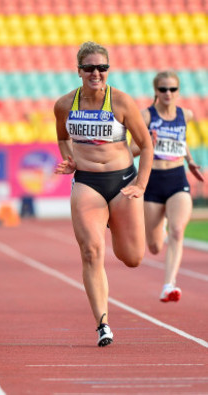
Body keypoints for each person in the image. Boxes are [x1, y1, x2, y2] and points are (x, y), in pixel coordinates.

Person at [53, 41, 153, 347]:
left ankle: (115, 219)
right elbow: (61, 136)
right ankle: (102, 324)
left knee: (132, 257)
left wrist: (140, 185)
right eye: (90, 68)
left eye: (102, 68)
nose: (96, 73)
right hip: (87, 184)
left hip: (122, 182)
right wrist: (69, 158)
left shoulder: (122, 102)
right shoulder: (64, 104)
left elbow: (147, 146)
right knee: (91, 251)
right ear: (79, 71)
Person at [130, 70, 204, 303]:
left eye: (172, 89)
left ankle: (169, 284)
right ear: (156, 91)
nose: (168, 93)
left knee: (178, 231)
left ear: (178, 91)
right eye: (163, 89)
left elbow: (181, 142)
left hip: (177, 179)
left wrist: (190, 161)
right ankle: (158, 228)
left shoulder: (186, 114)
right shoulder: (146, 116)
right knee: (153, 246)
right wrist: (146, 145)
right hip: (152, 181)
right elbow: (131, 149)